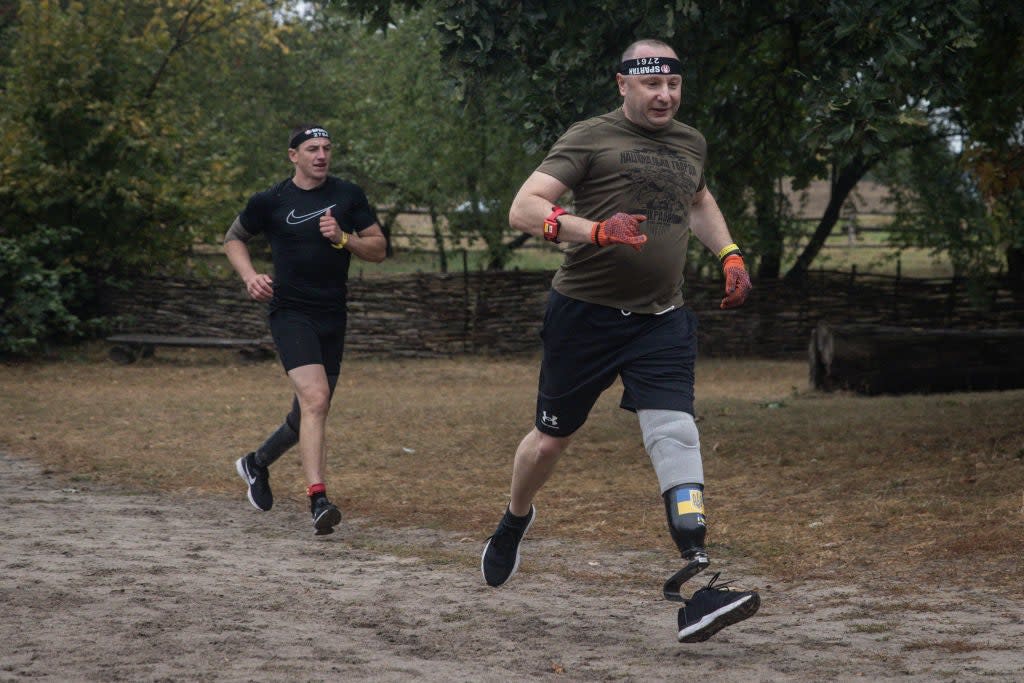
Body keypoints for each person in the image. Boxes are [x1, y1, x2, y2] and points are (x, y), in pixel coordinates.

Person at [480, 40, 758, 643]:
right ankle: (513, 520)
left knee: (675, 431)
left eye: (673, 86)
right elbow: (524, 210)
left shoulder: (690, 142)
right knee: (551, 440)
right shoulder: (589, 138)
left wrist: (730, 252)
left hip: (662, 318)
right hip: (585, 316)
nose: (664, 96)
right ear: (623, 85)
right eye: (651, 85)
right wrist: (596, 230)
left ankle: (698, 565)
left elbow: (699, 199)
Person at [224, 124, 386, 535]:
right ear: (293, 155)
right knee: (315, 400)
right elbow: (233, 238)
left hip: (332, 314)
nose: (321, 155)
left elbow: (379, 249)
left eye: (327, 148)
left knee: (310, 412)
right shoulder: (271, 200)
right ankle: (318, 499)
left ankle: (256, 463)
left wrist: (344, 238)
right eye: (312, 148)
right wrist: (249, 277)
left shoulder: (348, 196)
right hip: (290, 312)